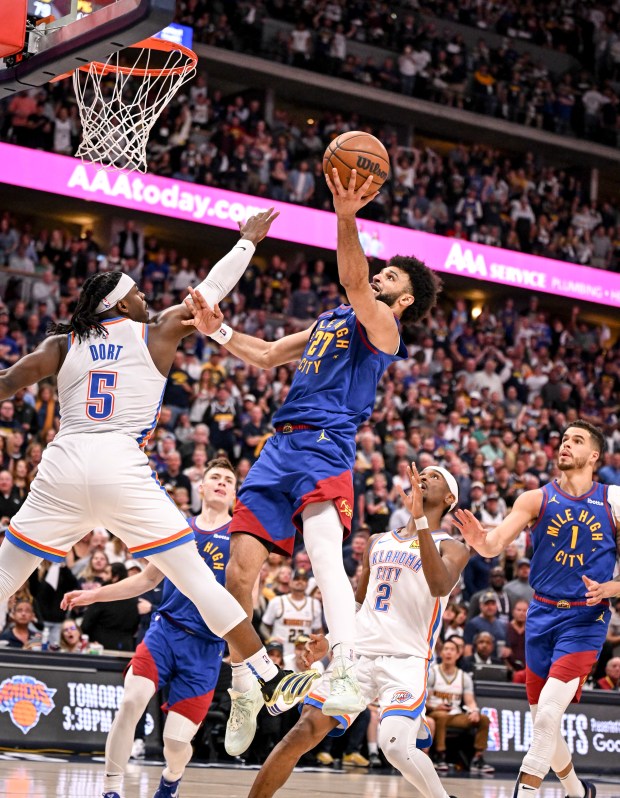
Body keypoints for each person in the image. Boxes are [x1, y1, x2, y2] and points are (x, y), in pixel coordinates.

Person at [0, 210, 319, 751]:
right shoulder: (157, 331)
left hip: (61, 465)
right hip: (120, 466)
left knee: (6, 578)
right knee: (195, 579)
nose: (146, 298)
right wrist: (245, 242)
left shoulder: (61, 345)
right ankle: (266, 674)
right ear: (122, 304)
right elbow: (209, 291)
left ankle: (264, 676)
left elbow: (7, 383)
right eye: (137, 294)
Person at [184, 169, 442, 754]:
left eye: (391, 277)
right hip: (279, 447)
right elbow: (270, 353)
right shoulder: (331, 319)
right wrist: (218, 330)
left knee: (325, 554)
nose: (380, 276)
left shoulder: (384, 326)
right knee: (238, 574)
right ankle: (248, 678)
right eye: (382, 270)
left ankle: (346, 670)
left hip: (327, 442)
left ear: (402, 300)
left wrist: (346, 214)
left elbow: (356, 283)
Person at [245, 463, 469, 798]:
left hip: (405, 660)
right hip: (359, 657)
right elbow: (357, 604)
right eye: (421, 473)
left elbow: (439, 585)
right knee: (302, 731)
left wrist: (421, 519)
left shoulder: (451, 546)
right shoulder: (377, 541)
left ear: (450, 497)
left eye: (434, 476)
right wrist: (333, 639)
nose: (423, 477)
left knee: (393, 747)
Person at [454, 420, 620, 798]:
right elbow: (495, 543)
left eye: (576, 441)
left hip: (585, 617)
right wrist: (481, 542)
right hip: (541, 616)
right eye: (563, 439)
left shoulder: (613, 500)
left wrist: (613, 587)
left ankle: (524, 794)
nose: (565, 445)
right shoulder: (534, 499)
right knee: (543, 722)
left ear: (594, 455)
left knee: (547, 715)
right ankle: (577, 791)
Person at [62, 459, 242, 798]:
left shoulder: (239, 540)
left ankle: (171, 780)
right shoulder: (178, 530)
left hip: (205, 647)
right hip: (165, 632)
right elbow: (147, 580)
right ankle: (112, 789)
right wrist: (94, 594)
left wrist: (242, 655)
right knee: (131, 700)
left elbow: (243, 601)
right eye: (214, 477)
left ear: (235, 493)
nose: (220, 482)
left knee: (176, 743)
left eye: (227, 480)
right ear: (200, 487)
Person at [426, 637, 495, 773]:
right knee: (442, 716)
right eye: (445, 649)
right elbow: (424, 701)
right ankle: (440, 755)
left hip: (455, 714)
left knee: (483, 719)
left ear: (458, 655)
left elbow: (470, 701)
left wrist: (474, 711)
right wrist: (435, 707)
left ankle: (477, 758)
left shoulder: (464, 677)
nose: (448, 653)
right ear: (441, 654)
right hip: (434, 712)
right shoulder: (432, 673)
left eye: (452, 650)